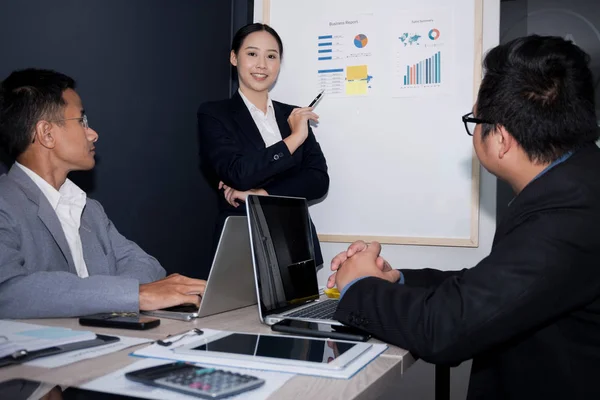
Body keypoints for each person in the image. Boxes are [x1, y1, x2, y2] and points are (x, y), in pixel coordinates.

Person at [327, 35, 600, 399]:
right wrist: (395, 280)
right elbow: (493, 286)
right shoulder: (576, 183)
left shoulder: (571, 210)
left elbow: (446, 330)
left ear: (500, 138)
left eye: (476, 120)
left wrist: (359, 287)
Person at [0, 68, 207, 319]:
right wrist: (133, 295)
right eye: (81, 121)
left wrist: (131, 294)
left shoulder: (89, 209)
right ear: (47, 134)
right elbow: (8, 293)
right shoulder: (6, 204)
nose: (93, 133)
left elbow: (147, 265)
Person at [197, 23, 329, 267]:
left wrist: (262, 193)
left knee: (305, 307)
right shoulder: (214, 114)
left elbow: (318, 181)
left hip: (296, 242)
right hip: (242, 245)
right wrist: (294, 139)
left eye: (271, 56)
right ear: (234, 58)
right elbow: (239, 173)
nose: (262, 64)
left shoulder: (293, 115)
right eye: (252, 54)